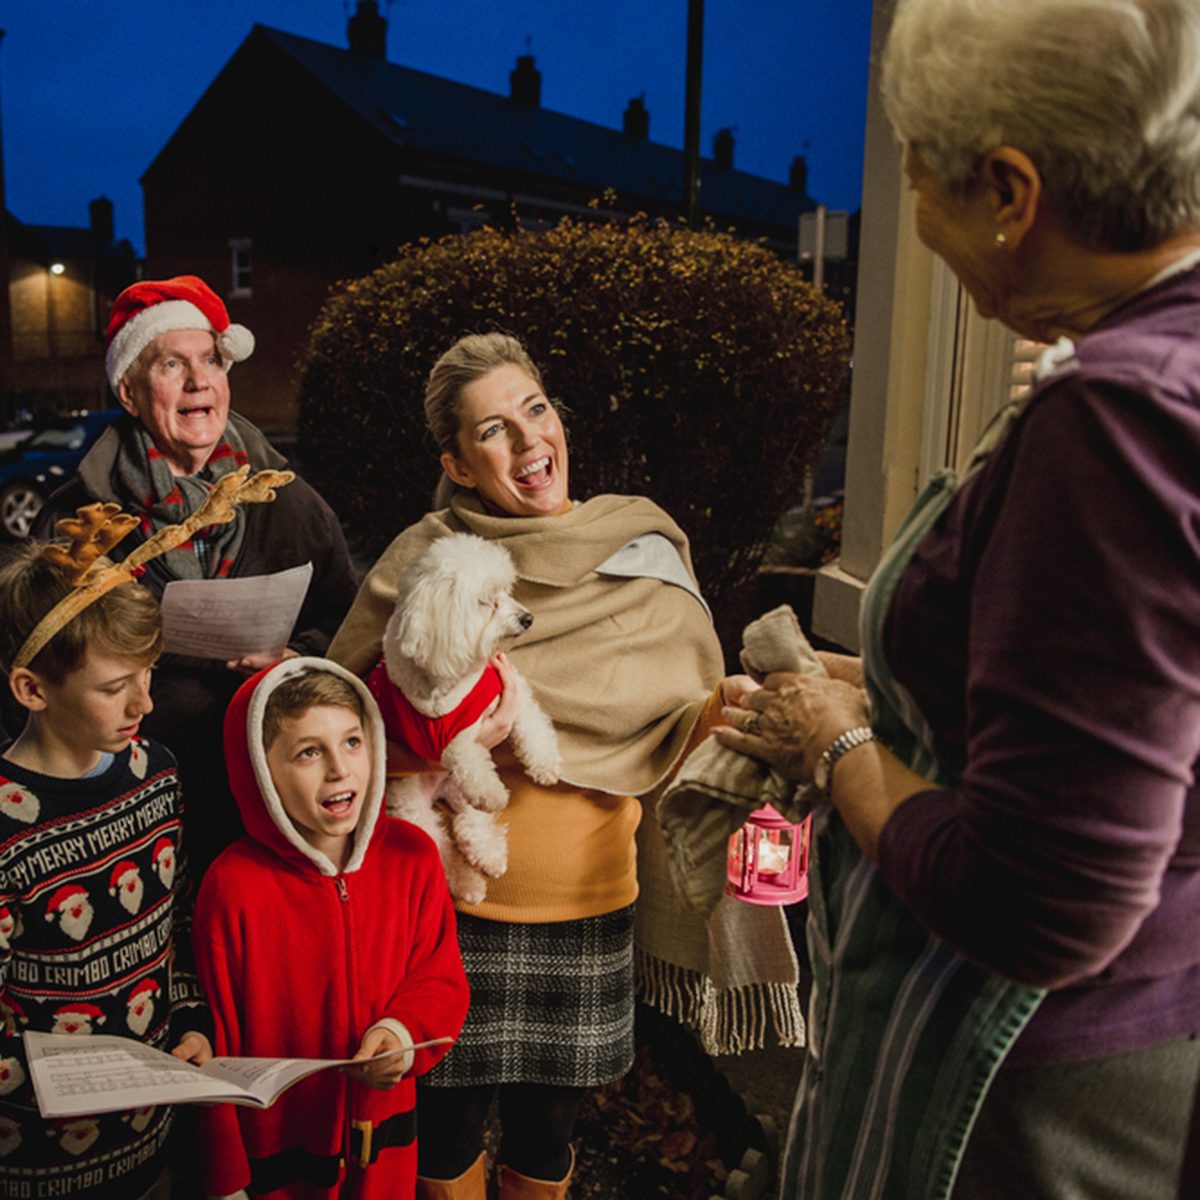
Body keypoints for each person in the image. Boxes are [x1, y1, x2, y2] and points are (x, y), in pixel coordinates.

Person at [715, 1, 1200, 1196]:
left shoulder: (1117, 422)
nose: (916, 217)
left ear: (1011, 193)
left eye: (919, 179)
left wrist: (838, 747)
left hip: (1024, 1085)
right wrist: (880, 684)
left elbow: (1038, 903)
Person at [328, 331, 741, 1200]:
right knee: (443, 1119)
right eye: (492, 431)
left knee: (550, 1128)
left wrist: (735, 714)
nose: (527, 442)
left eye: (536, 411)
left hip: (587, 895)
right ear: (459, 463)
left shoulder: (642, 549)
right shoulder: (424, 559)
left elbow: (685, 718)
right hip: (445, 904)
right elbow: (352, 719)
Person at [35, 275, 358, 879]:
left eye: (211, 360)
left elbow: (348, 624)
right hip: (128, 807)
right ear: (129, 392)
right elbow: (35, 667)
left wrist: (297, 657)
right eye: (171, 364)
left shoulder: (291, 501)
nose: (198, 380)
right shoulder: (75, 519)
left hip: (271, 799)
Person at [193, 657, 468, 1199]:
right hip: (274, 1161)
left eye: (352, 742)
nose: (340, 770)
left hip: (382, 1148)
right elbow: (215, 1044)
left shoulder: (412, 857)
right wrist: (224, 1179)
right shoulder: (233, 886)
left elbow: (440, 977)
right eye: (309, 752)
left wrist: (402, 1035)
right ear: (260, 769)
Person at [0, 537, 211, 1200]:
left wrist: (189, 1018)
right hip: (39, 1163)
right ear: (33, 688)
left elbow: (173, 923)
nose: (143, 704)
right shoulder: (8, 830)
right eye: (115, 687)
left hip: (152, 1145)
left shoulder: (158, 774)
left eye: (149, 673)